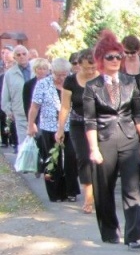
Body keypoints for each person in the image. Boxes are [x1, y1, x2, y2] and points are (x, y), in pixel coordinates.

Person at [83, 30, 140, 249]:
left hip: (128, 138)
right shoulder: (92, 86)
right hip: (104, 140)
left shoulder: (130, 82)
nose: (115, 61)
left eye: (118, 56)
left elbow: (138, 114)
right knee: (104, 188)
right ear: (101, 60)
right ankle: (110, 230)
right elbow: (90, 120)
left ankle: (134, 235)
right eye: (110, 57)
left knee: (132, 188)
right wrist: (94, 149)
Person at [28, 58, 79, 202]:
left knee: (71, 157)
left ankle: (71, 191)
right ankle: (55, 192)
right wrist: (31, 124)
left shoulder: (72, 82)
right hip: (49, 127)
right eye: (58, 75)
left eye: (65, 74)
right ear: (52, 72)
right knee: (52, 160)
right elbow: (35, 106)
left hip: (70, 127)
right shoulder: (43, 84)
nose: (62, 78)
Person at [57, 49, 98, 214]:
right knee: (83, 158)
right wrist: (60, 129)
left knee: (101, 160)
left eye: (93, 68)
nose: (90, 71)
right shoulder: (70, 81)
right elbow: (65, 106)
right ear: (78, 65)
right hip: (78, 124)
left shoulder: (103, 78)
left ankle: (100, 193)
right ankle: (88, 196)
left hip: (99, 124)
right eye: (86, 68)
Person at [1, 45, 32, 147]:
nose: (21, 56)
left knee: (39, 144)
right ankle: (25, 163)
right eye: (18, 55)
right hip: (20, 113)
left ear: (28, 55)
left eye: (24, 54)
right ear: (14, 58)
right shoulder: (10, 74)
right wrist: (9, 112)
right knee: (24, 146)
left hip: (38, 113)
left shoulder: (36, 70)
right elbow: (5, 96)